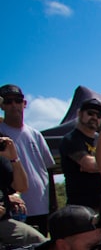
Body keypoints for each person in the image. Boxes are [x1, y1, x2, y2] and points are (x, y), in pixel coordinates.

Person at [0, 84, 56, 235]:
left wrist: (53, 206)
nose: (13, 105)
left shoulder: (35, 134)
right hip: (15, 210)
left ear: (24, 103)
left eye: (17, 100)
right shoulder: (1, 134)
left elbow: (48, 170)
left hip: (41, 207)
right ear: (2, 106)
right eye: (8, 101)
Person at [59, 97, 101, 210]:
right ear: (79, 114)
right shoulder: (71, 139)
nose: (94, 118)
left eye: (98, 115)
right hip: (80, 207)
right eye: (90, 113)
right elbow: (89, 165)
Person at [0, 135, 46, 249]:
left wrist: (14, 158)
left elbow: (22, 187)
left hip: (3, 220)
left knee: (38, 242)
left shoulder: (1, 158)